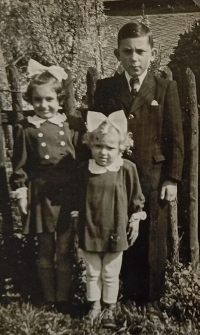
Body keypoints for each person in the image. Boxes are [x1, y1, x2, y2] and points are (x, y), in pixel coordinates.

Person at [93, 22, 184, 316]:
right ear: (117, 54)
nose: (134, 58)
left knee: (152, 238)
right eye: (127, 51)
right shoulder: (107, 88)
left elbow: (176, 137)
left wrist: (171, 177)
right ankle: (123, 294)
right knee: (121, 233)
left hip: (152, 175)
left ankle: (152, 299)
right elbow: (97, 132)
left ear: (152, 54)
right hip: (116, 176)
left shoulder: (164, 87)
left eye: (140, 52)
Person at [10, 59, 86, 313]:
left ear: (60, 99)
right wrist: (21, 191)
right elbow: (19, 164)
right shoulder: (26, 129)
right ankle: (49, 297)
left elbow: (79, 163)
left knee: (64, 248)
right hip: (40, 195)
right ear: (31, 100)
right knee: (45, 248)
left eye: (49, 99)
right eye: (38, 100)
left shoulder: (70, 126)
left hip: (66, 197)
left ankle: (64, 296)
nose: (44, 105)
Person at [73, 110, 145, 328]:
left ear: (121, 147)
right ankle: (94, 306)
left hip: (115, 228)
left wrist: (135, 218)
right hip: (90, 229)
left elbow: (136, 197)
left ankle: (110, 308)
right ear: (89, 144)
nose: (103, 152)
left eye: (110, 147)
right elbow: (76, 198)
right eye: (98, 146)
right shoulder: (84, 169)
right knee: (93, 272)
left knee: (111, 273)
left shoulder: (126, 169)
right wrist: (75, 219)